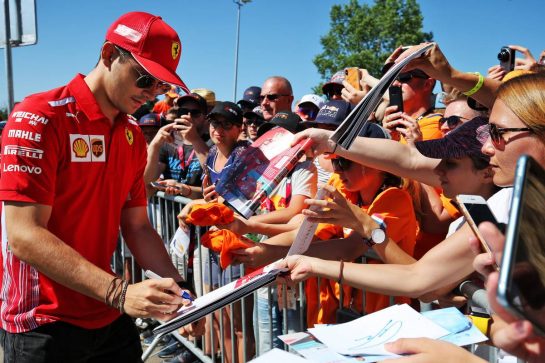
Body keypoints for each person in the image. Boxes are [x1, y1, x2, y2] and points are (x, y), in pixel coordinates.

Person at [0, 11, 202, 362]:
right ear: (109, 55)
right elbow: (23, 234)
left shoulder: (132, 136)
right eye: (144, 79)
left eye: (162, 85)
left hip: (107, 313)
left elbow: (137, 226)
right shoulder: (40, 117)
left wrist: (179, 293)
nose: (152, 94)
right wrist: (120, 293)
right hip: (44, 322)